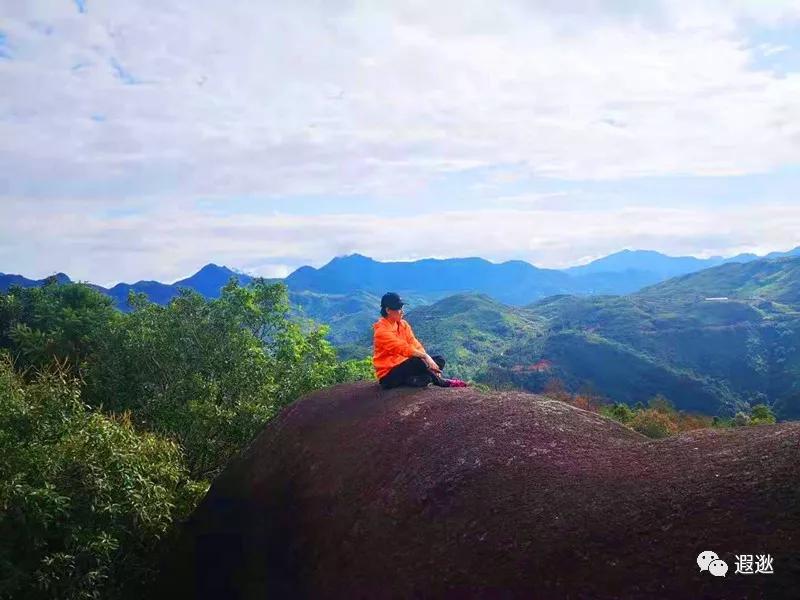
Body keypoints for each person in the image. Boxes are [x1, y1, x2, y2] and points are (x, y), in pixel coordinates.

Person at [373, 292, 468, 389]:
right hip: (389, 375)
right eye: (398, 308)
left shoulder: (403, 324)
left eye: (402, 308)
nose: (402, 311)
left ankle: (416, 379)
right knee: (417, 361)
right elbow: (402, 348)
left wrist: (429, 361)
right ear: (388, 310)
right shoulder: (381, 332)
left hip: (406, 367)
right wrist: (425, 357)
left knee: (439, 359)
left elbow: (414, 343)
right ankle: (442, 382)